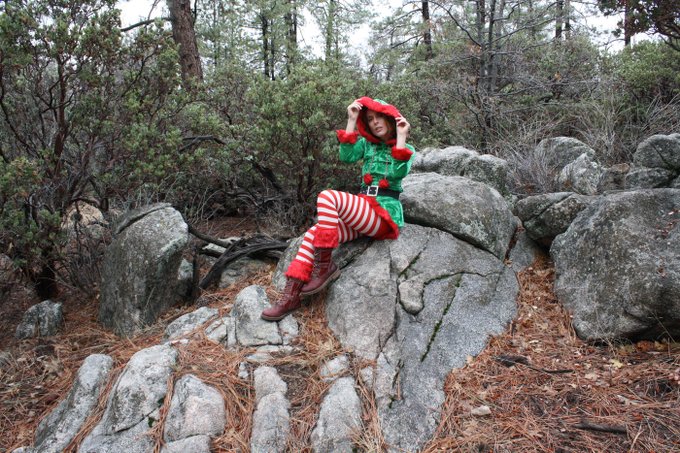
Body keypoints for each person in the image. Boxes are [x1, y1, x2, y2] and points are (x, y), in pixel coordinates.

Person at [261, 96, 416, 321]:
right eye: (370, 119)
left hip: (384, 214)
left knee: (327, 196)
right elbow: (346, 156)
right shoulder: (368, 145)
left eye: (379, 117)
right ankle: (290, 297)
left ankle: (324, 268)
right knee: (313, 234)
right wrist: (352, 120)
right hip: (364, 213)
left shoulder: (406, 148)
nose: (374, 122)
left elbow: (397, 173)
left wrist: (401, 137)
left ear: (391, 118)